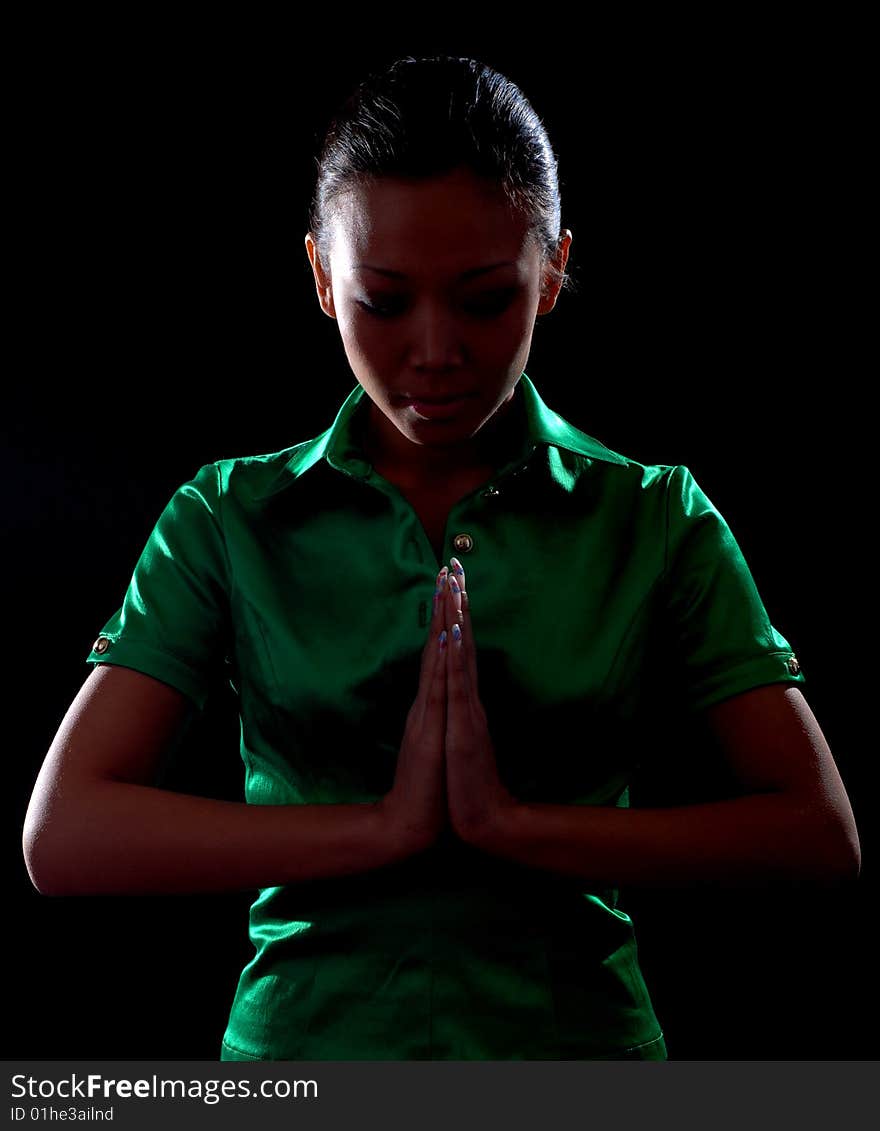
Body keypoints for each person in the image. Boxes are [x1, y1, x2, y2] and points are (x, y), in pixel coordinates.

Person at [22, 54, 860, 1062]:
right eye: (383, 301)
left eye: (482, 299)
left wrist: (511, 826)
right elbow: (64, 838)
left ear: (551, 270)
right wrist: (382, 831)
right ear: (323, 280)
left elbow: (817, 839)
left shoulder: (655, 516)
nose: (434, 352)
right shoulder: (226, 517)